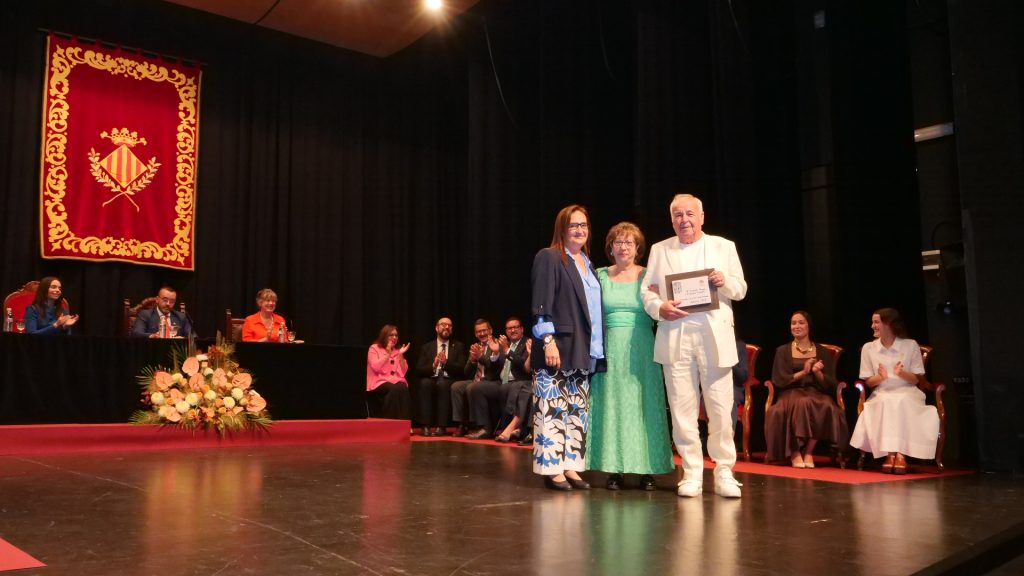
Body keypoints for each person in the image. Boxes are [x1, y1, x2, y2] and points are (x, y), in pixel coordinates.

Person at [640, 193, 746, 498]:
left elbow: (740, 289)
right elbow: (647, 292)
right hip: (677, 336)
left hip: (714, 337)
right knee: (682, 409)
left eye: (689, 214)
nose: (684, 220)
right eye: (677, 215)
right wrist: (660, 307)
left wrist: (724, 281)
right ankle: (691, 472)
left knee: (720, 408)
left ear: (701, 217)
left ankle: (724, 471)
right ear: (671, 220)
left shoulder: (723, 246)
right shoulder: (660, 249)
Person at [587, 222, 674, 491]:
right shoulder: (599, 275)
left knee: (643, 406)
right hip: (609, 349)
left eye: (629, 242)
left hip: (643, 348)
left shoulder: (649, 275)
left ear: (638, 248)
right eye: (618, 242)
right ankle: (613, 468)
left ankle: (647, 469)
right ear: (610, 247)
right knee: (612, 406)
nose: (623, 247)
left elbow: (663, 306)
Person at [531, 204, 604, 491]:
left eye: (583, 225)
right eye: (573, 225)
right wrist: (547, 341)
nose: (579, 230)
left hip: (584, 348)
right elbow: (541, 304)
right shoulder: (549, 256)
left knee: (576, 410)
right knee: (552, 408)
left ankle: (570, 465)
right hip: (558, 346)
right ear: (562, 229)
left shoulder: (587, 262)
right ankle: (552, 469)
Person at [849, 308, 938, 474]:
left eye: (876, 322)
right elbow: (869, 381)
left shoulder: (910, 345)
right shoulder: (869, 348)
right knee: (887, 401)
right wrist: (880, 377)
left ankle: (901, 454)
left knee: (901, 401)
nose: (872, 326)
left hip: (907, 391)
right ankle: (890, 454)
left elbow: (916, 379)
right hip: (882, 392)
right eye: (873, 322)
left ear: (888, 324)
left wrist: (901, 373)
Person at [765, 311, 849, 468]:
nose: (796, 326)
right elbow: (780, 379)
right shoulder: (783, 351)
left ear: (809, 326)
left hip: (815, 391)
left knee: (827, 405)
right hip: (790, 391)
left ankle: (809, 451)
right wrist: (804, 372)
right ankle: (795, 452)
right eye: (793, 323)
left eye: (801, 322)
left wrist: (817, 373)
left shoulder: (821, 351)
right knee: (802, 402)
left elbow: (830, 382)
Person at [412, 317, 467, 436]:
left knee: (443, 384)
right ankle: (425, 426)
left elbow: (463, 369)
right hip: (431, 377)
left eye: (449, 325)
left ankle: (441, 427)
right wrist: (433, 365)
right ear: (436, 328)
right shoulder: (427, 347)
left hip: (449, 378)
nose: (447, 327)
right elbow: (419, 369)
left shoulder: (458, 346)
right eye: (443, 324)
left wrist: (446, 363)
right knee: (424, 383)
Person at [451, 319, 503, 439]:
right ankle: (462, 425)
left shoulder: (498, 344)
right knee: (456, 386)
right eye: (478, 332)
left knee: (474, 387)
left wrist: (480, 357)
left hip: (495, 382)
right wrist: (472, 360)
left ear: (490, 330)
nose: (482, 334)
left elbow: (496, 368)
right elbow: (466, 373)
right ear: (475, 334)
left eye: (484, 330)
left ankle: (485, 427)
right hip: (477, 381)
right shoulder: (476, 346)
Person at [494, 317, 533, 442]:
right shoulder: (503, 345)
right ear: (506, 331)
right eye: (509, 328)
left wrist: (507, 351)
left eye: (515, 327)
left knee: (515, 387)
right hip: (501, 381)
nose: (512, 330)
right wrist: (494, 354)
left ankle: (511, 426)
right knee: (476, 388)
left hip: (521, 380)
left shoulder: (527, 343)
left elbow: (525, 367)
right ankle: (516, 428)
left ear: (522, 329)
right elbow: (494, 368)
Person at [365, 324, 412, 419]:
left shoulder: (397, 351)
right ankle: (391, 421)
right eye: (391, 335)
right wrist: (388, 354)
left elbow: (403, 372)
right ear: (384, 335)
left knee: (403, 387)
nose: (394, 337)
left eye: (396, 335)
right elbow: (375, 367)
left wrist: (400, 355)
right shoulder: (374, 348)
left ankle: (404, 421)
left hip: (393, 380)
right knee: (395, 389)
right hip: (378, 381)